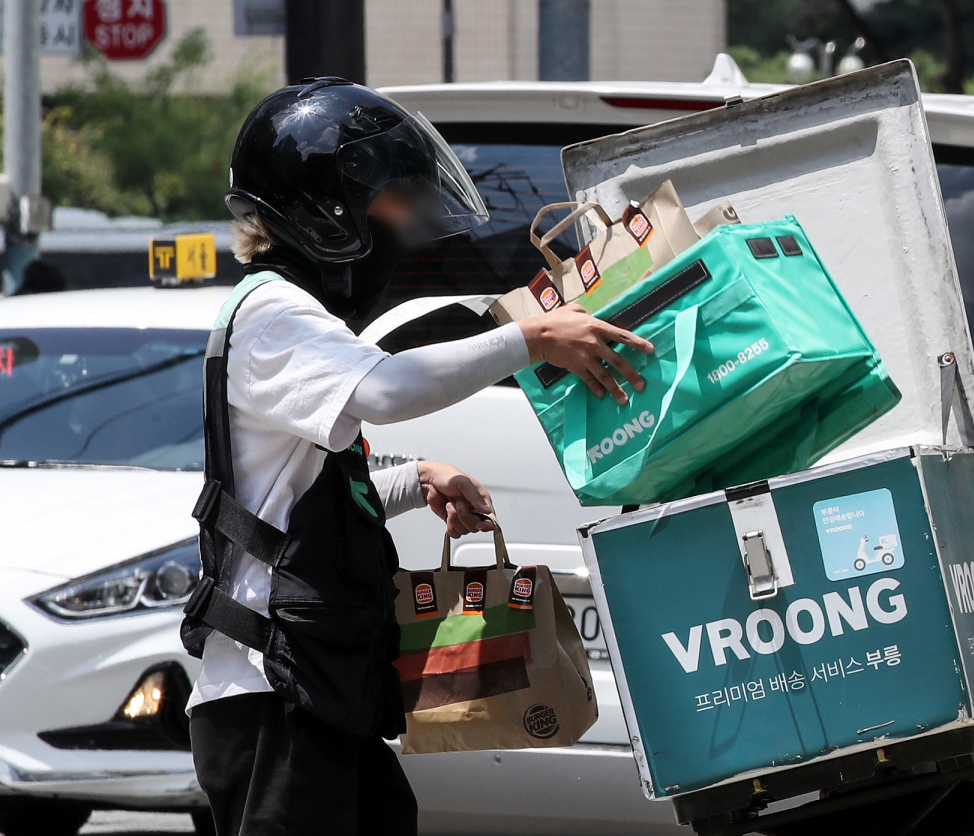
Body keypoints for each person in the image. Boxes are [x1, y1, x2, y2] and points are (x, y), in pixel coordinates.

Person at [182, 77, 652, 836]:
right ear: (327, 207)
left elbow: (298, 486)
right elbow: (391, 390)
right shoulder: (272, 310)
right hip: (272, 694)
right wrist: (530, 338)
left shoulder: (299, 318)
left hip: (318, 687)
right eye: (394, 199)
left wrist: (415, 480)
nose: (405, 224)